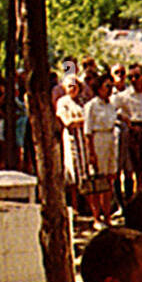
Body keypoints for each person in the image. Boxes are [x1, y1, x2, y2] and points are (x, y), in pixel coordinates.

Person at [83, 75, 121, 225]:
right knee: (97, 181)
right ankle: (96, 217)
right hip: (98, 140)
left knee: (109, 180)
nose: (110, 90)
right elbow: (88, 131)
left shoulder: (111, 106)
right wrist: (91, 152)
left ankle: (107, 215)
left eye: (112, 87)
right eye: (107, 87)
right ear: (99, 88)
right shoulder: (91, 106)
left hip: (110, 140)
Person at [56, 76, 91, 214]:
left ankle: (88, 206)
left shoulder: (83, 101)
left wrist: (80, 121)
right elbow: (67, 122)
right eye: (70, 86)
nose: (73, 88)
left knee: (86, 171)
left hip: (85, 139)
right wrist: (84, 121)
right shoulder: (63, 102)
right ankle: (75, 206)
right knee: (73, 172)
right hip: (71, 139)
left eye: (75, 85)